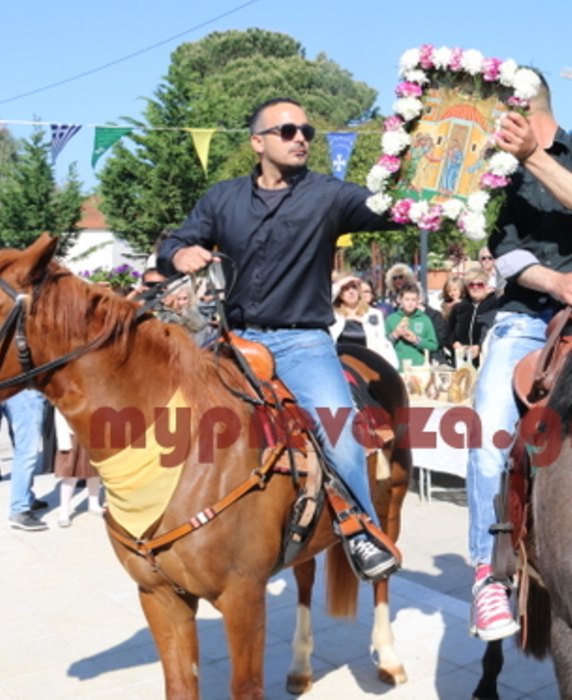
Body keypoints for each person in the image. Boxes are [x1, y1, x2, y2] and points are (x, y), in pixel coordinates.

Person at [158, 96, 402, 580]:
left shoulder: (329, 195)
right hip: (231, 341)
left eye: (307, 132)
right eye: (288, 131)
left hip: (302, 344)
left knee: (342, 435)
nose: (300, 139)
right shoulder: (222, 197)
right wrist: (179, 254)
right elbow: (174, 241)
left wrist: (424, 167)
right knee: (162, 417)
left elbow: (389, 210)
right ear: (257, 142)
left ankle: (361, 531)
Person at [467, 73, 572, 640]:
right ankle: (488, 574)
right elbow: (502, 254)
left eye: (501, 111)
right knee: (489, 437)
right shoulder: (497, 171)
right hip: (524, 318)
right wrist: (554, 281)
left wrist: (532, 156)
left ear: (526, 109)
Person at [329, 273, 397, 367]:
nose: (351, 291)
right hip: (339, 366)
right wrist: (339, 283)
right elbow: (322, 300)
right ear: (339, 292)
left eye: (354, 287)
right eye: (345, 288)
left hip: (366, 366)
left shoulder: (374, 314)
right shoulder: (333, 314)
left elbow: (380, 345)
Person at [5, 389, 50, 531]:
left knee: (25, 451)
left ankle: (27, 499)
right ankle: (19, 509)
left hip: (23, 394)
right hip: (27, 395)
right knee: (27, 453)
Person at [53, 409, 102, 528]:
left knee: (95, 471)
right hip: (72, 434)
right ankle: (64, 511)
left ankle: (93, 503)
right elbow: (60, 414)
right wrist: (63, 440)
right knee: (70, 474)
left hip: (93, 432)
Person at [447, 267, 498, 368]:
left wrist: (479, 346)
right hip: (461, 360)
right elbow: (448, 331)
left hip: (485, 361)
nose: (475, 288)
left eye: (479, 285)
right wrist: (454, 343)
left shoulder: (495, 305)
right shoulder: (459, 307)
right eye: (471, 285)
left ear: (486, 286)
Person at [385, 283, 438, 368]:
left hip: (418, 368)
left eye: (413, 300)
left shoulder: (425, 319)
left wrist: (416, 340)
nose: (410, 303)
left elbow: (433, 345)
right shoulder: (391, 319)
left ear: (419, 300)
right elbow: (382, 345)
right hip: (397, 368)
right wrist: (395, 334)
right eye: (407, 299)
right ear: (400, 299)